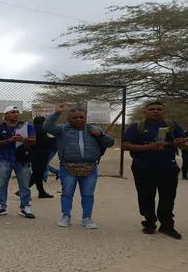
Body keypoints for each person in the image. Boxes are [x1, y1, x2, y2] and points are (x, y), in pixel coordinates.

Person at [122, 101, 187, 239]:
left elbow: (183, 146)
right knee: (146, 197)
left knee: (168, 198)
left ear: (164, 112)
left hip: (168, 168)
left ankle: (167, 226)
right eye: (152, 109)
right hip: (143, 168)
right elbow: (125, 145)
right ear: (144, 111)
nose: (155, 111)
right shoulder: (136, 127)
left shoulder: (172, 126)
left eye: (159, 109)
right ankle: (149, 223)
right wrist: (149, 148)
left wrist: (181, 144)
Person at [44, 103, 114, 229]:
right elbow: (47, 126)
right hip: (67, 167)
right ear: (68, 119)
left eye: (81, 117)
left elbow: (110, 143)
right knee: (67, 193)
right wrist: (57, 113)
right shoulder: (62, 129)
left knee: (88, 194)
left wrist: (101, 135)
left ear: (85, 117)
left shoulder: (94, 129)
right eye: (75, 117)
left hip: (90, 167)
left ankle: (87, 218)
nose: (79, 119)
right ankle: (66, 216)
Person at [0, 106, 37, 218]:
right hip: (4, 158)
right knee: (1, 184)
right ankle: (0, 206)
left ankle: (25, 207)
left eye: (17, 112)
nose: (15, 114)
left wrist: (23, 139)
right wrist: (9, 140)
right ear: (6, 114)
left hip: (22, 159)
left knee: (24, 184)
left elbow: (33, 141)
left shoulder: (26, 126)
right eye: (12, 112)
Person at [29, 116, 55, 198]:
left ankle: (41, 192)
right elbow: (52, 142)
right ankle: (24, 188)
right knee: (38, 174)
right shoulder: (45, 131)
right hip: (43, 154)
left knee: (37, 173)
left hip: (32, 154)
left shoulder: (31, 130)